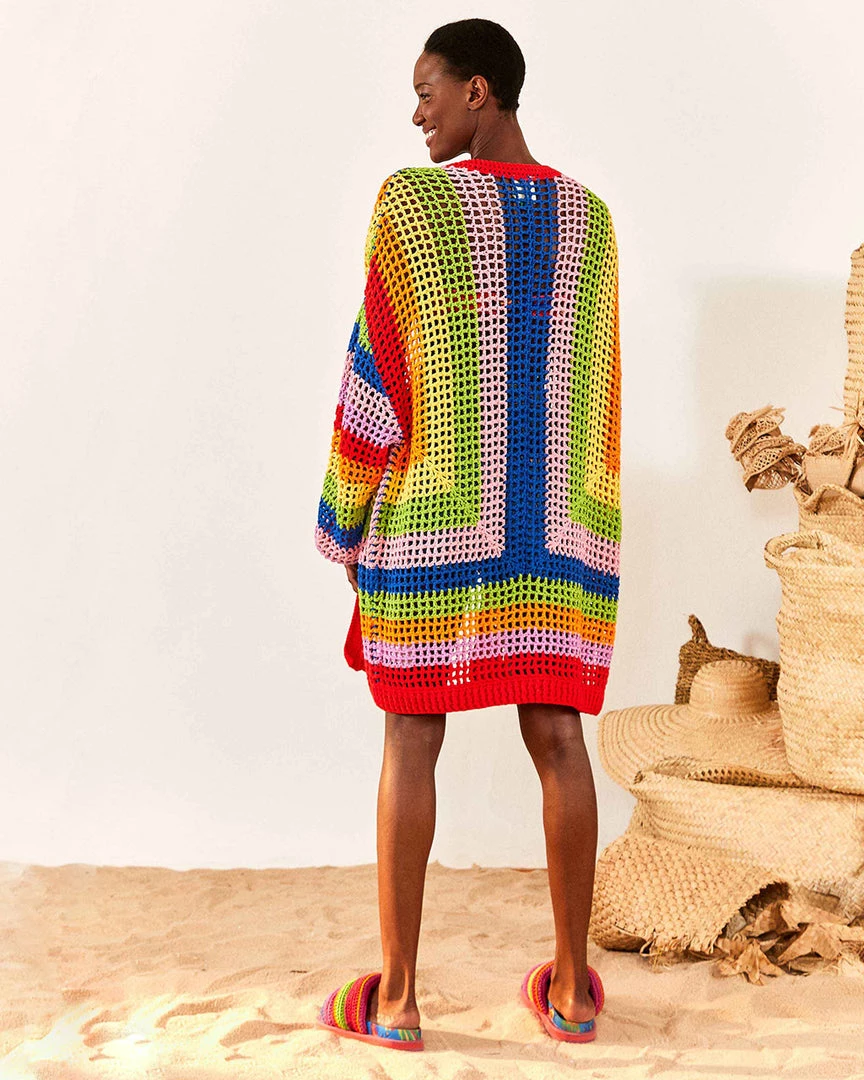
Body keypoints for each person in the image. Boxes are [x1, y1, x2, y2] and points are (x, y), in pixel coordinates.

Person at [313, 18, 621, 1051]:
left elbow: (376, 369)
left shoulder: (413, 204)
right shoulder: (591, 219)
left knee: (411, 734)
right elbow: (597, 400)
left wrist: (346, 516)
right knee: (560, 736)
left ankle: (397, 1001)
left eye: (427, 91)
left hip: (434, 526)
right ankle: (572, 992)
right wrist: (588, 531)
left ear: (477, 89)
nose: (417, 115)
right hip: (556, 534)